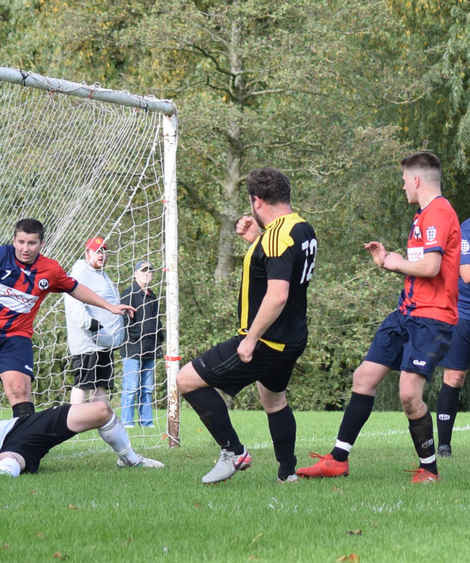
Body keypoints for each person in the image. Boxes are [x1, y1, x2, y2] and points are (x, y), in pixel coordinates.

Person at [297, 151, 460, 483]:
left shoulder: (439, 213)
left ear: (416, 179)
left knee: (408, 395)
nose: (403, 187)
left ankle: (429, 469)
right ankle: (338, 460)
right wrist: (387, 260)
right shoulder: (422, 215)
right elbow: (420, 268)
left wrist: (397, 262)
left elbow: (430, 268)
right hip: (406, 314)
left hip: (432, 320)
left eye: (403, 181)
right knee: (364, 377)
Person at [176, 167, 318, 484]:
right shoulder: (302, 228)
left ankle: (233, 451)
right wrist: (256, 239)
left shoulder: (279, 235)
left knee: (186, 380)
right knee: (274, 400)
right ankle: (287, 473)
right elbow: (279, 264)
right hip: (292, 337)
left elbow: (278, 295)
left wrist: (251, 338)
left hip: (267, 340)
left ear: (256, 200)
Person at [0, 219, 134, 419]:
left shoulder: (50, 269)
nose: (25, 248)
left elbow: (75, 288)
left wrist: (110, 306)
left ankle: (24, 446)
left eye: (31, 243)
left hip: (15, 337)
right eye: (21, 242)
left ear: (41, 244)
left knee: (20, 390)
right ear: (14, 240)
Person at [0, 381, 164, 476]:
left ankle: (130, 459)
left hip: (18, 428)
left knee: (101, 410)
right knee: (8, 463)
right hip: (0, 456)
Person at [64, 237, 126, 404]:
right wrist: (89, 324)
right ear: (87, 253)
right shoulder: (80, 272)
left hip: (104, 341)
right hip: (88, 342)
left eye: (104, 251)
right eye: (97, 251)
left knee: (102, 385)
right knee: (83, 384)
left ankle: (102, 423)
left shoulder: (102, 274)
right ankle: (73, 423)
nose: (101, 255)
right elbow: (72, 299)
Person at [435, 216, 470, 457]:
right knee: (454, 376)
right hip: (464, 315)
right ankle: (444, 444)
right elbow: (467, 273)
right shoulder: (466, 229)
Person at [120, 260, 163, 428]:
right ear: (135, 274)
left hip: (150, 348)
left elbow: (156, 320)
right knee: (131, 388)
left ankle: (147, 422)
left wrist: (160, 337)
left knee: (147, 388)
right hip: (132, 347)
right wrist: (135, 336)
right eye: (143, 270)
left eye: (150, 270)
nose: (147, 273)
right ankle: (127, 422)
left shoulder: (152, 295)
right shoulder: (128, 294)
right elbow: (124, 321)